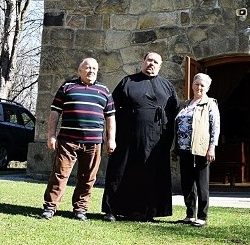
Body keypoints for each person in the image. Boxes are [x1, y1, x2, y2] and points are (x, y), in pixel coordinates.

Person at [101, 52, 179, 221]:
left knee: (151, 176)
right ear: (143, 62)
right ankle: (112, 210)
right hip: (127, 139)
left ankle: (148, 213)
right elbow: (111, 110)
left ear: (160, 65)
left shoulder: (167, 86)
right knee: (120, 172)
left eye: (155, 62)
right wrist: (110, 137)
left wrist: (170, 142)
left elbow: (174, 114)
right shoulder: (128, 82)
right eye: (149, 60)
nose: (151, 64)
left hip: (156, 141)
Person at [40, 57, 115, 221]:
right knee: (60, 174)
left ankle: (80, 209)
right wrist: (51, 135)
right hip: (67, 141)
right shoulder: (67, 87)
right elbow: (54, 113)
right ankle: (50, 207)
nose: (91, 71)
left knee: (88, 177)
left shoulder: (104, 91)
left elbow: (110, 117)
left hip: (93, 143)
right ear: (79, 70)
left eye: (94, 69)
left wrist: (111, 140)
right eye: (87, 68)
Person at [175, 73, 220, 228]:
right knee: (187, 184)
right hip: (184, 149)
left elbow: (215, 128)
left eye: (202, 85)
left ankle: (202, 216)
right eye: (197, 84)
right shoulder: (187, 104)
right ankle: (189, 214)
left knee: (201, 184)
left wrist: (212, 147)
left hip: (201, 150)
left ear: (207, 88)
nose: (199, 87)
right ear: (192, 85)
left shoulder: (210, 104)